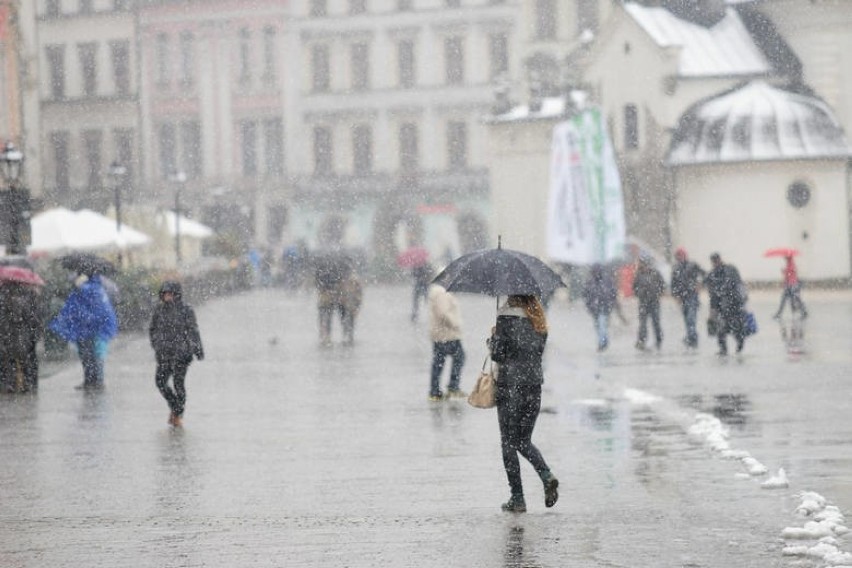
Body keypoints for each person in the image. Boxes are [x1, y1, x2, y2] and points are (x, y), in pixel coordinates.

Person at [489, 295, 558, 513]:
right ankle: (546, 475)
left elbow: (499, 355)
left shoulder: (505, 318)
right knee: (523, 440)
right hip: (533, 387)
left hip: (510, 387)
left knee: (508, 442)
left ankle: (517, 498)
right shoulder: (538, 319)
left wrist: (493, 340)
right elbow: (535, 353)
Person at [49, 272, 118, 390]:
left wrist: (78, 286)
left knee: (94, 354)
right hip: (85, 327)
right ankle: (90, 381)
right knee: (86, 354)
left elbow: (92, 308)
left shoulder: (93, 288)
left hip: (92, 327)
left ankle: (97, 382)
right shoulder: (93, 288)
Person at [148, 281, 204, 427]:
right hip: (164, 354)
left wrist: (197, 349)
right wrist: (156, 344)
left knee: (178, 384)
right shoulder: (159, 310)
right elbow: (152, 329)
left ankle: (178, 415)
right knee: (160, 382)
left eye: (170, 293)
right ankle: (175, 407)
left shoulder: (186, 310)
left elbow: (193, 330)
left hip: (181, 354)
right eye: (165, 294)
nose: (167, 296)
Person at [0, 282, 43, 393]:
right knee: (24, 359)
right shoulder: (30, 294)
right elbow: (35, 316)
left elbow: (32, 316)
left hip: (12, 333)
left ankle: (13, 384)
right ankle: (27, 384)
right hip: (20, 333)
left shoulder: (5, 294)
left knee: (12, 359)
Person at [314, 249, 362, 346]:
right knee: (344, 319)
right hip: (343, 301)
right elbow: (358, 293)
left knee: (327, 318)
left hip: (334, 300)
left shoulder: (323, 272)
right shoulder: (348, 276)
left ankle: (327, 337)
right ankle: (346, 336)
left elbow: (318, 285)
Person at [427, 284, 466, 401]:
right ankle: (452, 387)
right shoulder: (441, 292)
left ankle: (435, 391)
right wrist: (455, 323)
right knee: (459, 357)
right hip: (447, 334)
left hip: (441, 334)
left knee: (438, 362)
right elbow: (443, 313)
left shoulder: (438, 291)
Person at [704, 253, 747, 355]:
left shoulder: (730, 270)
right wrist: (712, 310)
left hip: (734, 304)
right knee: (721, 328)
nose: (715, 263)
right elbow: (713, 295)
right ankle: (723, 349)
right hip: (722, 306)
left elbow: (738, 284)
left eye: (716, 260)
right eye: (713, 261)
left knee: (736, 327)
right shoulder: (712, 274)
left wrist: (743, 300)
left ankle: (739, 343)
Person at [670, 248, 705, 348]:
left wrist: (699, 284)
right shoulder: (675, 268)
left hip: (692, 296)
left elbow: (704, 275)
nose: (679, 258)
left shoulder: (693, 265)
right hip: (682, 297)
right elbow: (673, 284)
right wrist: (676, 295)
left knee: (691, 318)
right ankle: (691, 336)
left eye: (680, 255)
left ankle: (692, 338)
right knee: (687, 318)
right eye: (678, 256)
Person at [632, 256, 665, 351]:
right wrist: (640, 292)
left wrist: (658, 293)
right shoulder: (638, 275)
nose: (641, 265)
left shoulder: (655, 273)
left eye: (642, 263)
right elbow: (634, 288)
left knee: (656, 322)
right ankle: (642, 340)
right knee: (643, 323)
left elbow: (662, 285)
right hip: (643, 302)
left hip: (654, 302)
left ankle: (659, 340)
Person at [582, 264, 617, 351]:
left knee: (602, 324)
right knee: (598, 326)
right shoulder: (590, 282)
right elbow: (585, 295)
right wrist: (589, 305)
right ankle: (603, 340)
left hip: (604, 307)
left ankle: (602, 343)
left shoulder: (606, 281)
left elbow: (613, 293)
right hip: (595, 308)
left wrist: (610, 303)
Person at [774, 255, 807, 319]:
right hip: (789, 285)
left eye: (785, 257)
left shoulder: (791, 264)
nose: (784, 258)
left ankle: (803, 311)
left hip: (792, 285)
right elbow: (788, 275)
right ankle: (779, 313)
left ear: (788, 257)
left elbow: (791, 273)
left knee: (794, 299)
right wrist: (785, 271)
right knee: (786, 299)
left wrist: (784, 271)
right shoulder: (789, 264)